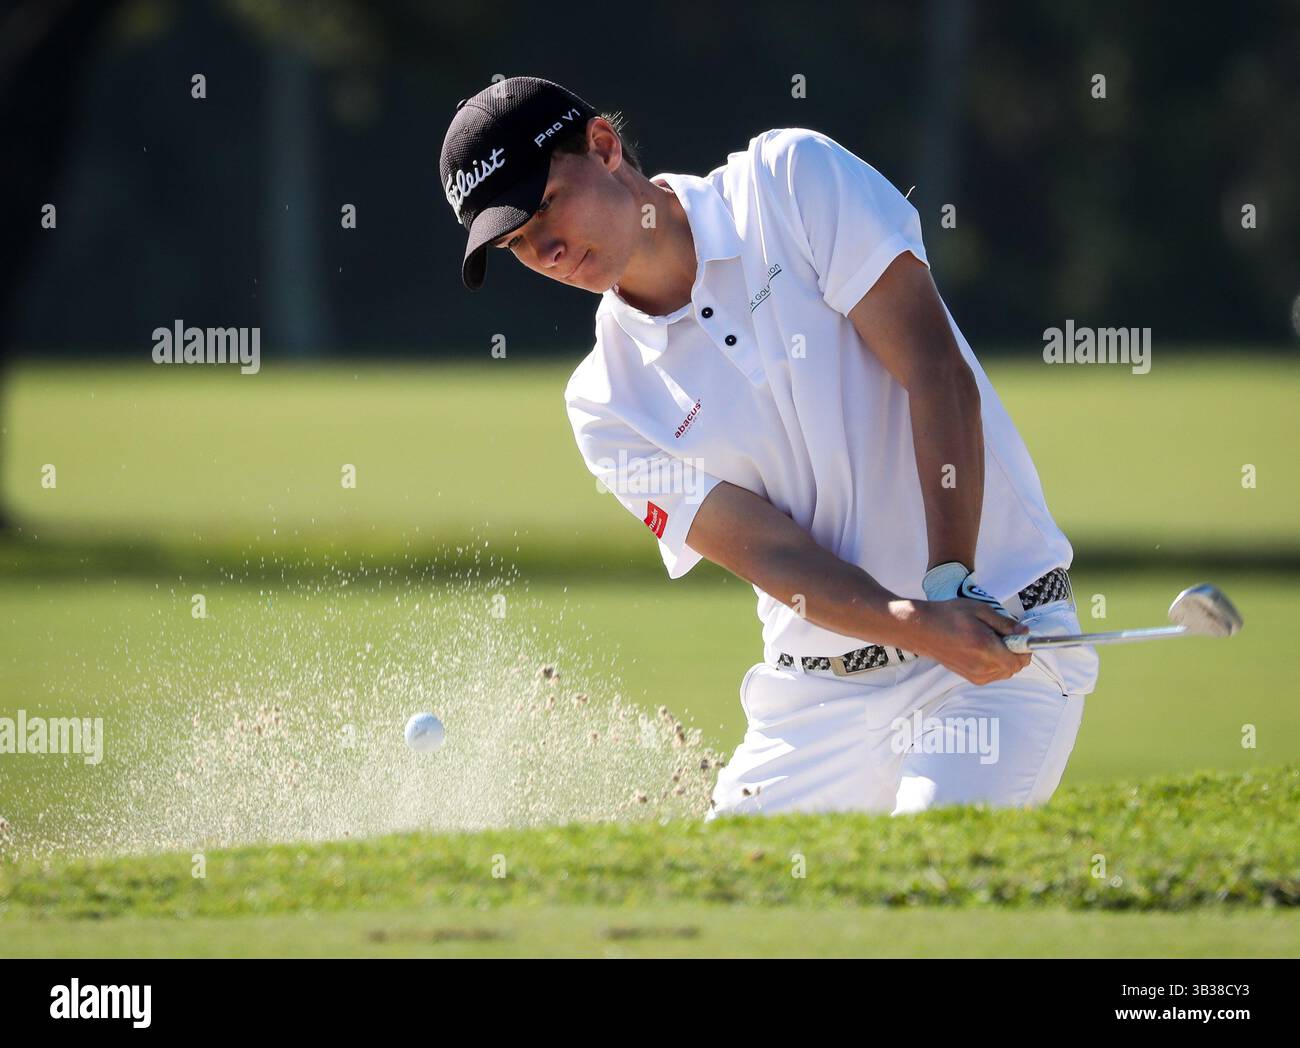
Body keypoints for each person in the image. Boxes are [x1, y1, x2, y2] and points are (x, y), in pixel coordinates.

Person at [440, 76, 1099, 819]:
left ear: (603, 145)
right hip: (814, 701)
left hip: (994, 644)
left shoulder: (790, 182)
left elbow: (935, 373)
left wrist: (950, 588)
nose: (547, 250)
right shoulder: (604, 404)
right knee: (729, 913)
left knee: (931, 877)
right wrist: (914, 622)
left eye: (547, 206)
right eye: (517, 243)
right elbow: (773, 557)